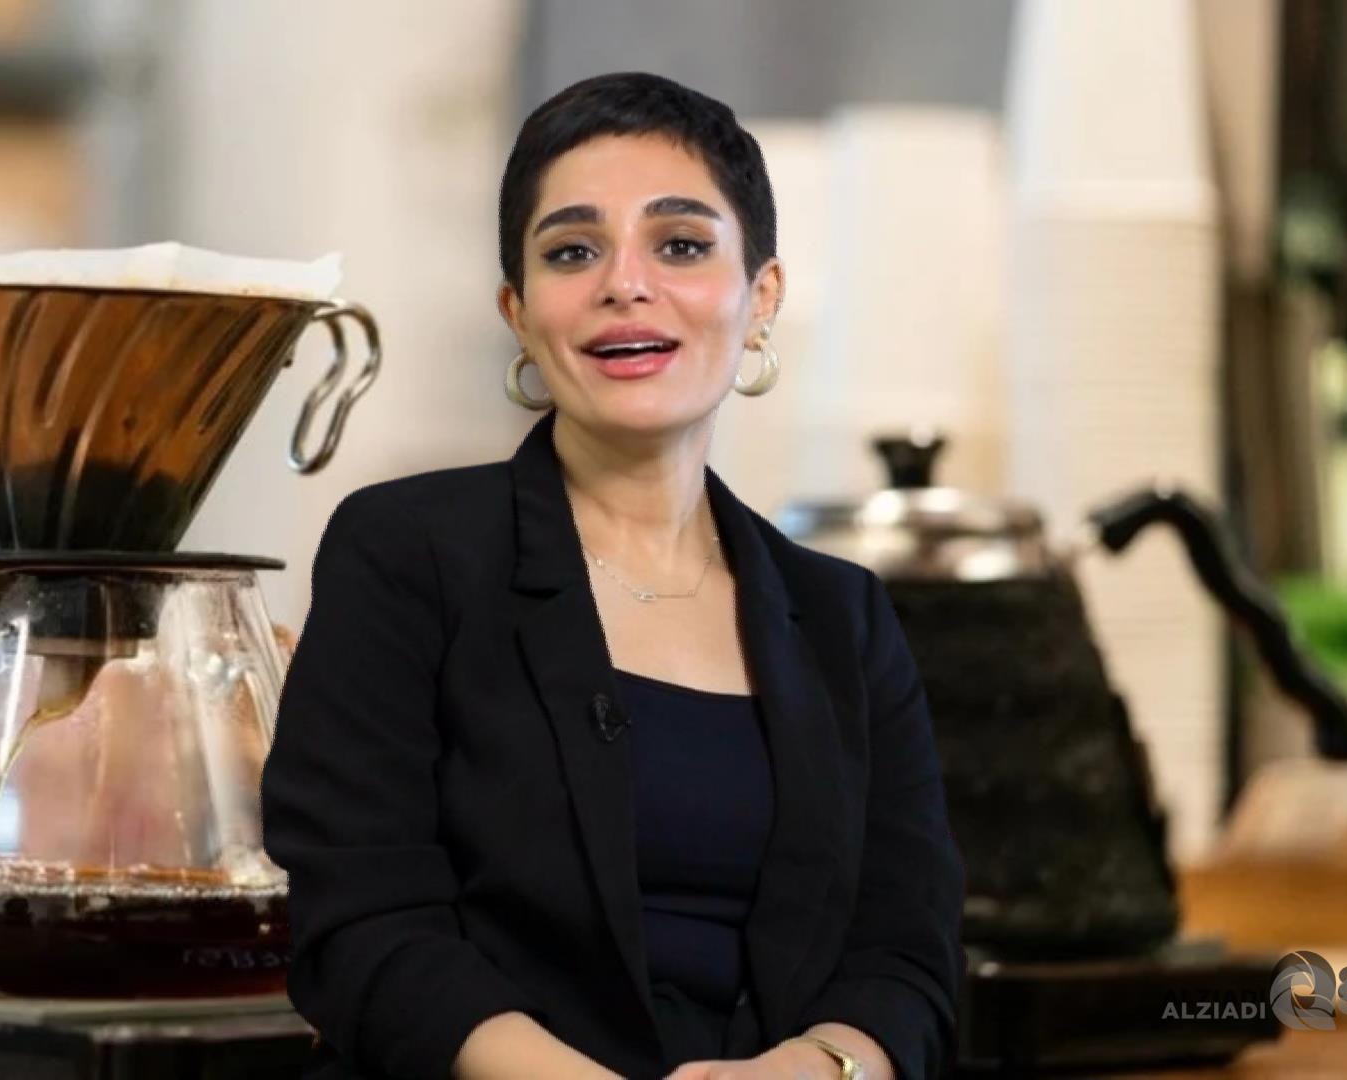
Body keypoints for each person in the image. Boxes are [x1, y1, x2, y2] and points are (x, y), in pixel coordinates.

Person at [259, 71, 965, 1080]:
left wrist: (813, 1070)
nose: (624, 283)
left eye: (680, 245)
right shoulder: (406, 552)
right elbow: (364, 928)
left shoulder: (843, 616)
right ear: (518, 312)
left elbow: (908, 958)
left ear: (761, 297)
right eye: (572, 251)